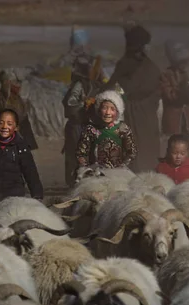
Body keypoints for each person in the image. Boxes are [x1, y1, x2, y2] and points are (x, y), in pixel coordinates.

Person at [105, 24, 161, 172]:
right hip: (130, 114)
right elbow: (116, 85)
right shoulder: (128, 63)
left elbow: (119, 87)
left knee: (142, 149)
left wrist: (121, 94)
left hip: (141, 114)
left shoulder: (146, 67)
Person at [62, 53, 102, 187]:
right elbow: (70, 102)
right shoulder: (79, 85)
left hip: (89, 125)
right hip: (77, 125)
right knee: (75, 154)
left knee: (91, 154)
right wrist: (85, 103)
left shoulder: (94, 84)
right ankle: (74, 182)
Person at [76, 90, 137, 171]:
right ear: (99, 109)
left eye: (112, 109)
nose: (108, 112)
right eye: (104, 108)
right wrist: (86, 169)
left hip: (118, 173)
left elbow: (132, 152)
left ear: (118, 112)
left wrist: (123, 166)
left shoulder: (123, 129)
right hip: (95, 173)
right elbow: (81, 153)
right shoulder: (91, 130)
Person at [0, 70, 38, 151]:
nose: (19, 87)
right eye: (15, 84)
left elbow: (23, 120)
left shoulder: (18, 100)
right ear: (9, 84)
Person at [160, 41, 189, 139]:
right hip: (173, 120)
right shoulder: (166, 74)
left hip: (188, 119)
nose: (184, 65)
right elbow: (170, 96)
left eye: (185, 62)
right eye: (181, 62)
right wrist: (184, 86)